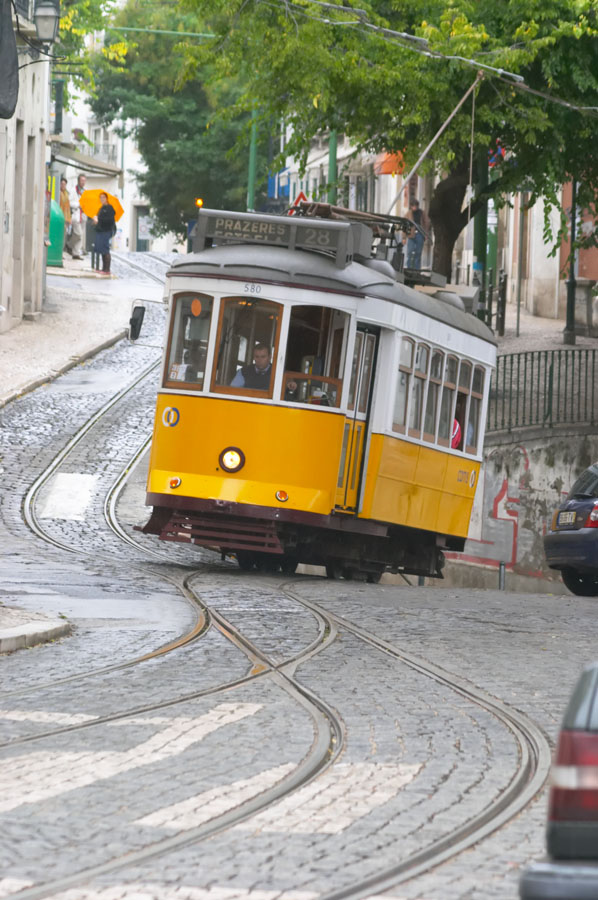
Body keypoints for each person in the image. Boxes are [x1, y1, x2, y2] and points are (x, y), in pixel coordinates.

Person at [92, 192, 116, 276]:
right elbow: (100, 219)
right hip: (100, 230)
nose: (102, 199)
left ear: (106, 198)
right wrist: (95, 221)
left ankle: (107, 269)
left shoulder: (109, 208)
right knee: (101, 249)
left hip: (106, 231)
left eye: (103, 197)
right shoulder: (101, 208)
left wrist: (99, 220)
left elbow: (109, 220)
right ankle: (103, 268)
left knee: (105, 249)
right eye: (100, 198)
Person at [66, 173, 87, 259]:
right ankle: (69, 245)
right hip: (76, 214)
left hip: (83, 215)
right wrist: (78, 205)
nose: (83, 182)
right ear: (78, 181)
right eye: (82, 180)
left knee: (81, 236)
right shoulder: (73, 190)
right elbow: (69, 202)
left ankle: (76, 253)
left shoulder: (85, 191)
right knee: (79, 234)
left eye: (84, 181)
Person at [404, 199, 430, 270]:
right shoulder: (408, 214)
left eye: (416, 206)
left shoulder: (422, 213)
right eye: (413, 206)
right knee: (409, 252)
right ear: (411, 206)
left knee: (418, 253)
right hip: (410, 235)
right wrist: (404, 237)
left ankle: (417, 270)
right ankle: (409, 269)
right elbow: (404, 225)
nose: (414, 207)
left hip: (420, 234)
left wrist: (425, 234)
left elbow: (427, 223)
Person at [59, 177, 71, 253]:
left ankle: (61, 251)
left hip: (66, 218)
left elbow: (68, 207)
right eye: (62, 184)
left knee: (63, 236)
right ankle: (59, 251)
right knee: (60, 235)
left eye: (64, 184)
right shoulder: (58, 193)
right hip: (60, 217)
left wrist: (69, 219)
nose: (63, 185)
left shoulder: (66, 193)